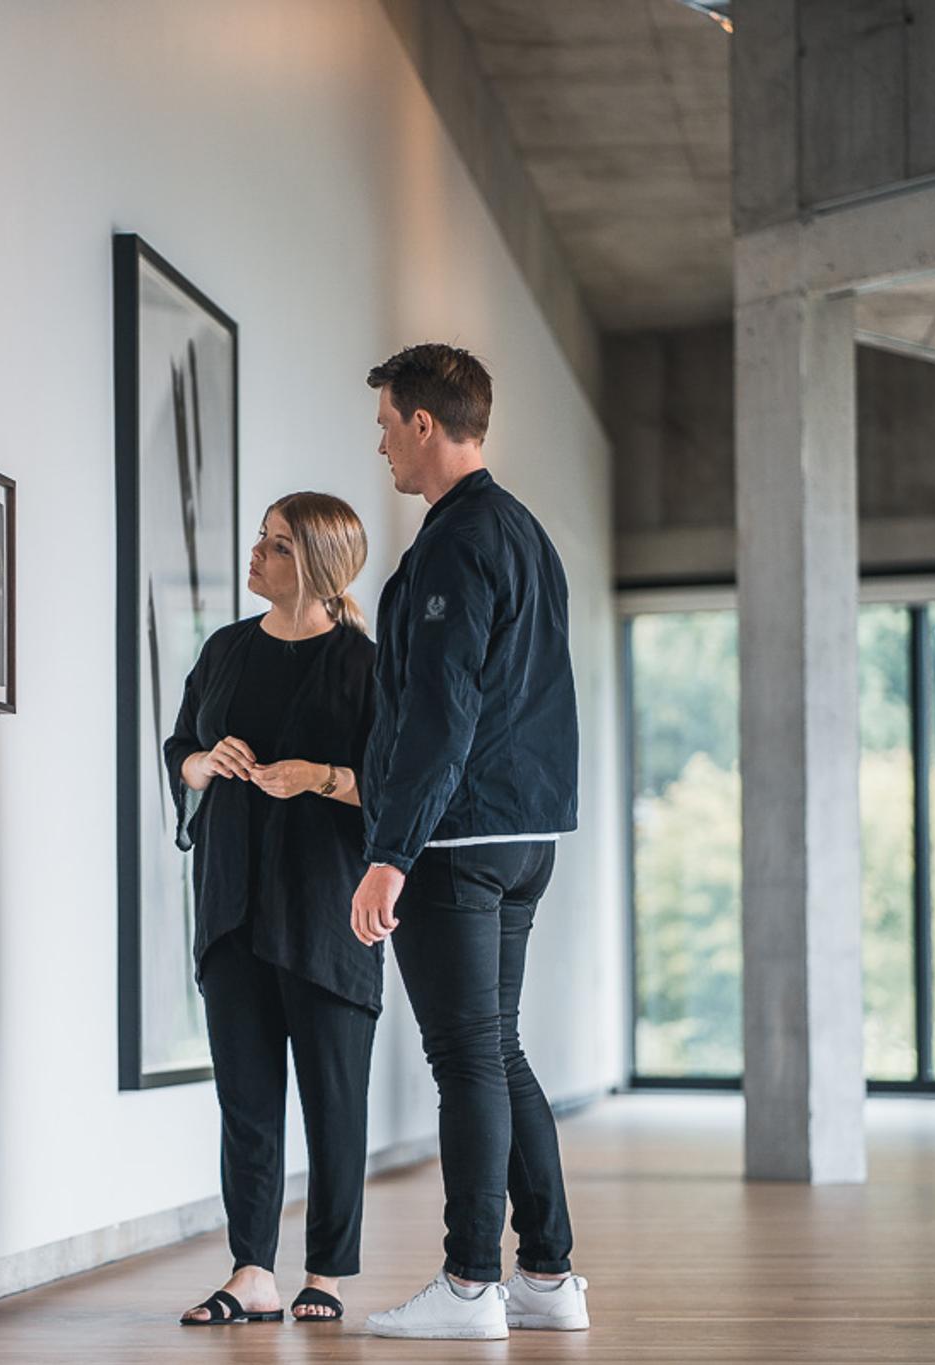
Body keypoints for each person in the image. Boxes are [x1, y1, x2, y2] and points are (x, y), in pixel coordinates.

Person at [350, 345, 591, 1340]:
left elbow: (441, 715)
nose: (380, 448)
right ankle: (545, 1275)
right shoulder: (524, 531)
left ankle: (467, 1287)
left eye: (383, 426)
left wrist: (389, 850)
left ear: (420, 422)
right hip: (524, 833)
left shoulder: (456, 542)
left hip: (459, 837)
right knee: (495, 1052)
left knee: (464, 1061)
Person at [162, 493, 381, 1327]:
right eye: (260, 538)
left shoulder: (364, 666)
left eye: (276, 545)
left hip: (328, 911)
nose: (256, 554)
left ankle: (325, 1271)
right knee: (246, 1101)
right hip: (231, 907)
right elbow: (179, 748)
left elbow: (395, 786)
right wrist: (203, 761)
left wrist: (320, 776)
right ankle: (252, 1269)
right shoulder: (224, 650)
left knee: (333, 1100)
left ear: (318, 568)